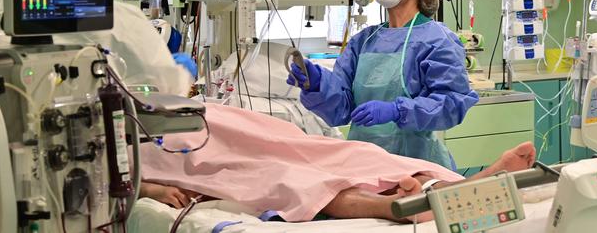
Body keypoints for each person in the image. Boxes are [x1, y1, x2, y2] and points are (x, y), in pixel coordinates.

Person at [136, 103, 536, 223]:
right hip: (198, 153)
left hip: (226, 123)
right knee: (291, 178)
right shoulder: (109, 128)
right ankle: (394, 206)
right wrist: (151, 187)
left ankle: (463, 186)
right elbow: (113, 176)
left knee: (361, 155)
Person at [287, 0, 479, 169]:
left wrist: (397, 111)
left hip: (417, 165)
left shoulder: (437, 40)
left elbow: (451, 104)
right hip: (364, 164)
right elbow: (342, 108)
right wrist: (318, 83)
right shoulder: (365, 41)